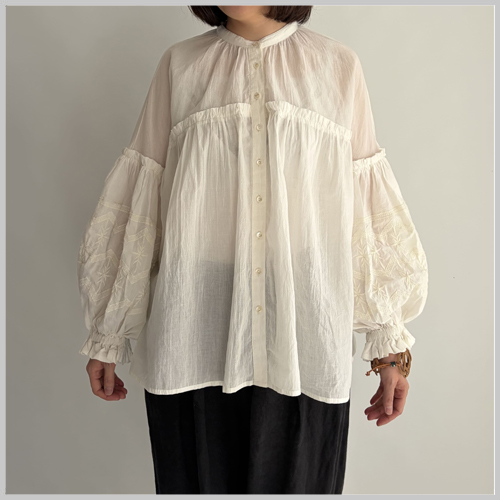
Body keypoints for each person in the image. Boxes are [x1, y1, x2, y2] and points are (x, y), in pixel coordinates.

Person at [76, 5, 429, 494]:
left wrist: (390, 351)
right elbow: (142, 204)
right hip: (196, 325)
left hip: (305, 332)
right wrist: (109, 334)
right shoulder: (180, 66)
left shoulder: (338, 66)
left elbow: (365, 216)